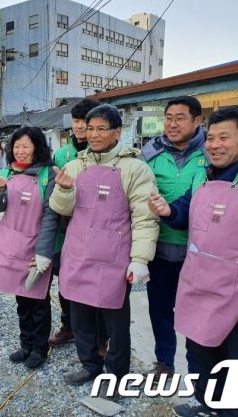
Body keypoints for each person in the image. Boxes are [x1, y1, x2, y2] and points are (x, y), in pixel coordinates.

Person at [150, 106, 238, 417]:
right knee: (200, 353)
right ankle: (205, 404)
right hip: (199, 285)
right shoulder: (203, 173)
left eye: (224, 137)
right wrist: (168, 211)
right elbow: (187, 208)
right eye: (211, 137)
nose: (214, 144)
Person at [49, 104, 159, 397]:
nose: (94, 134)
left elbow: (145, 217)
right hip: (78, 254)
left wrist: (140, 259)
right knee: (81, 319)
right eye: (90, 128)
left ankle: (117, 377)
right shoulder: (74, 166)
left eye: (101, 128)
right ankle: (90, 365)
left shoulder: (134, 167)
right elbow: (61, 209)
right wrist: (62, 190)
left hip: (113, 258)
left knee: (116, 325)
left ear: (117, 132)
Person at [141, 96, 207, 381]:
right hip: (159, 248)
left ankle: (198, 372)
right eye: (168, 117)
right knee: (160, 310)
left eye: (180, 117)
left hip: (198, 252)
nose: (172, 123)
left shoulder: (211, 153)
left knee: (196, 315)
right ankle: (164, 362)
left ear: (197, 121)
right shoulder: (150, 152)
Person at [0, 126, 59, 369]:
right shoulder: (8, 172)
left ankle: (40, 348)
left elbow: (51, 215)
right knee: (21, 300)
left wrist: (43, 252)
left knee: (38, 300)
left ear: (37, 147)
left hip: (36, 245)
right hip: (12, 244)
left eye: (25, 146)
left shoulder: (48, 174)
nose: (20, 151)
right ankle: (26, 344)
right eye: (16, 146)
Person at [49, 97, 104, 349]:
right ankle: (68, 326)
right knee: (66, 280)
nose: (80, 126)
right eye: (77, 121)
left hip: (97, 229)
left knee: (96, 282)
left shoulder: (106, 154)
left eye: (85, 121)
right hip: (67, 229)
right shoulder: (62, 154)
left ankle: (99, 336)